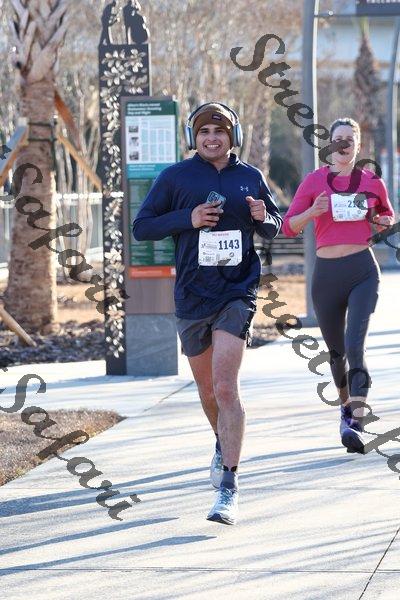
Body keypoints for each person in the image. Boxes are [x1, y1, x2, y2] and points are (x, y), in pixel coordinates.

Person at [132, 102, 282, 524]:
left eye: (219, 131)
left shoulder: (250, 176)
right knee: (208, 392)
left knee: (226, 386)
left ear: (233, 135)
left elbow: (274, 224)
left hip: (237, 291)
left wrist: (264, 217)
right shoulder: (174, 177)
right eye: (204, 132)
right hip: (192, 295)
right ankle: (221, 439)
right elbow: (142, 227)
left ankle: (229, 488)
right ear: (192, 138)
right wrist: (189, 217)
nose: (212, 138)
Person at [282, 117, 395, 454]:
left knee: (355, 346)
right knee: (336, 354)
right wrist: (313, 211)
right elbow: (289, 226)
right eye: (338, 138)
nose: (343, 143)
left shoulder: (372, 182)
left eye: (350, 138)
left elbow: (387, 218)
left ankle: (356, 423)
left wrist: (383, 222)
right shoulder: (314, 182)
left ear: (358, 145)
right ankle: (345, 407)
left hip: (362, 270)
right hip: (327, 275)